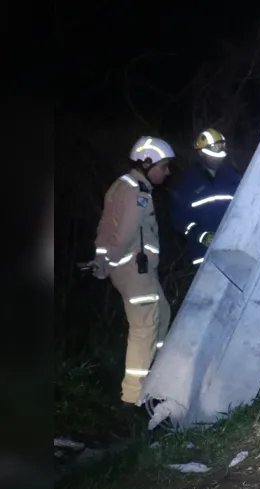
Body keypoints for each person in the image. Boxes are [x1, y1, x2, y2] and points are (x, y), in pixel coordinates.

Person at [91, 136, 174, 406]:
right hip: (135, 272)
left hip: (134, 271)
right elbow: (125, 233)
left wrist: (102, 259)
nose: (167, 172)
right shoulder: (138, 191)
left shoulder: (119, 186)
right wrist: (112, 259)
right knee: (145, 329)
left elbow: (105, 226)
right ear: (147, 163)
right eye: (164, 166)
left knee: (162, 312)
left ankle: (161, 372)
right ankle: (134, 398)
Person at [170, 128, 243, 266]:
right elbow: (179, 220)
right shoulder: (188, 184)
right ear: (201, 153)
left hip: (235, 252)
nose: (217, 159)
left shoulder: (234, 179)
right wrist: (200, 234)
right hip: (204, 258)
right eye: (213, 156)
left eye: (220, 156)